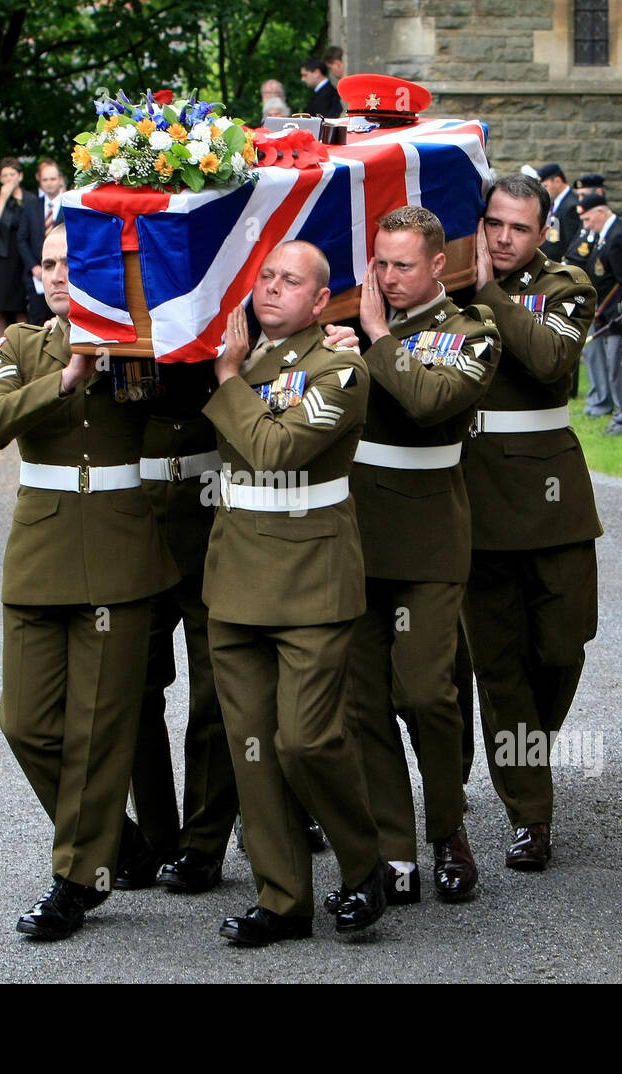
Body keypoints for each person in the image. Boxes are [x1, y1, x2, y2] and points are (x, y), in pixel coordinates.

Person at [0, 223, 178, 940]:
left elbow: (184, 402)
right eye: (52, 265)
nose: (62, 276)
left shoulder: (137, 339)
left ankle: (75, 881)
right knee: (25, 722)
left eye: (75, 264)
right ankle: (118, 842)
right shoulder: (22, 345)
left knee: (97, 728)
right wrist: (63, 381)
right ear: (36, 274)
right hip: (41, 553)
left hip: (120, 554)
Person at [206, 240, 387, 946]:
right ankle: (282, 898)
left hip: (312, 576)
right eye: (266, 276)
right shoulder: (238, 352)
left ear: (321, 303)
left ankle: (363, 861)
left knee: (306, 740)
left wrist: (226, 379)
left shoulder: (341, 366)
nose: (273, 288)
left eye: (292, 282)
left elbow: (277, 449)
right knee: (251, 747)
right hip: (236, 576)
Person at [347, 206, 501, 905]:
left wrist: (378, 337)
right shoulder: (344, 331)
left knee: (424, 692)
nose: (389, 277)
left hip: (432, 538)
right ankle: (393, 850)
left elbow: (429, 404)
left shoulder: (471, 333)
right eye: (380, 263)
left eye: (403, 265)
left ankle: (449, 830)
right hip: (355, 538)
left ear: (439, 264)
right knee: (364, 703)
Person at [463, 173, 602, 871]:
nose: (504, 237)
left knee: (560, 648)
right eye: (494, 223)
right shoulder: (448, 285)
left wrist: (488, 292)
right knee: (499, 665)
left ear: (542, 232)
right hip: (476, 499)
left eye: (519, 227)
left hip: (552, 502)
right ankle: (531, 813)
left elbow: (550, 358)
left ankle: (525, 755)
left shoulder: (567, 285)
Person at [118, 361, 239, 894]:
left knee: (215, 693)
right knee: (133, 687)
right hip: (138, 524)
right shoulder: (112, 313)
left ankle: (203, 844)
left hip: (215, 521)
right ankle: (156, 837)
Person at [578, 192, 622, 435]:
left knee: (619, 366)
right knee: (612, 365)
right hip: (606, 311)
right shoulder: (605, 235)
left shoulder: (618, 237)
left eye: (588, 219)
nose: (587, 226)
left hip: (618, 314)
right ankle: (619, 414)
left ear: (601, 213)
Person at [0, 157, 29, 336]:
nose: (9, 178)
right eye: (5, 175)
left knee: (20, 308)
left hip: (21, 259)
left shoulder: (30, 199)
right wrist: (3, 196)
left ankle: (25, 350)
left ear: (20, 176)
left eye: (12, 174)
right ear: (0, 179)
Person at [17, 158, 64, 325]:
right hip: (35, 275)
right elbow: (21, 239)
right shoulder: (31, 206)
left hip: (63, 275)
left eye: (52, 179)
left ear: (60, 180)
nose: (49, 183)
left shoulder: (69, 205)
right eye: (45, 179)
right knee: (37, 321)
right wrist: (34, 266)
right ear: (39, 180)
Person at [537, 164, 581, 262]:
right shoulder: (555, 203)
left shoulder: (571, 205)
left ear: (557, 181)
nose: (543, 191)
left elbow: (571, 243)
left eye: (545, 186)